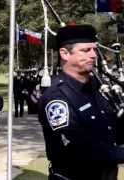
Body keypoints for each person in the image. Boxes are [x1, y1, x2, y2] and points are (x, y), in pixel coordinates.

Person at [38, 24, 124, 180]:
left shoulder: (100, 89)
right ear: (65, 53)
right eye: (86, 50)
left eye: (94, 49)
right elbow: (77, 148)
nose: (93, 55)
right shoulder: (56, 98)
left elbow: (115, 131)